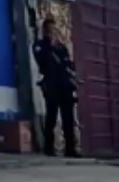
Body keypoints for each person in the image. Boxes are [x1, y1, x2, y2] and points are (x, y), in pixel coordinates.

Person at [33, 16, 79, 157]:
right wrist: (50, 45)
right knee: (51, 118)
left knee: (68, 119)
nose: (52, 32)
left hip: (65, 86)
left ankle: (70, 149)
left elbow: (68, 65)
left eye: (54, 29)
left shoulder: (61, 47)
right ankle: (49, 148)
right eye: (49, 29)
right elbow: (41, 62)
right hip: (51, 85)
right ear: (45, 30)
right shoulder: (39, 45)